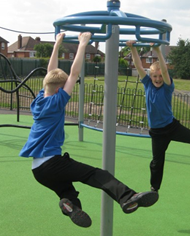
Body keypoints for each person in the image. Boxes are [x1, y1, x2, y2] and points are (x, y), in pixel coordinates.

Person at [19, 32, 159, 228]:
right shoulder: (57, 101)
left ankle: (71, 206)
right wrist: (82, 44)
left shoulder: (39, 100)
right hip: (51, 162)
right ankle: (128, 197)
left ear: (46, 85)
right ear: (60, 90)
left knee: (67, 191)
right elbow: (74, 73)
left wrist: (58, 43)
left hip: (38, 170)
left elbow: (51, 71)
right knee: (96, 174)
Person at [126, 40, 190, 194]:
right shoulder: (147, 84)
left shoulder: (167, 88)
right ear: (150, 76)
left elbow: (165, 71)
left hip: (172, 127)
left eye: (159, 76)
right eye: (155, 76)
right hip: (157, 132)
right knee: (156, 162)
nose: (158, 79)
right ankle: (154, 188)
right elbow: (138, 66)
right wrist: (132, 48)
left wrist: (158, 51)